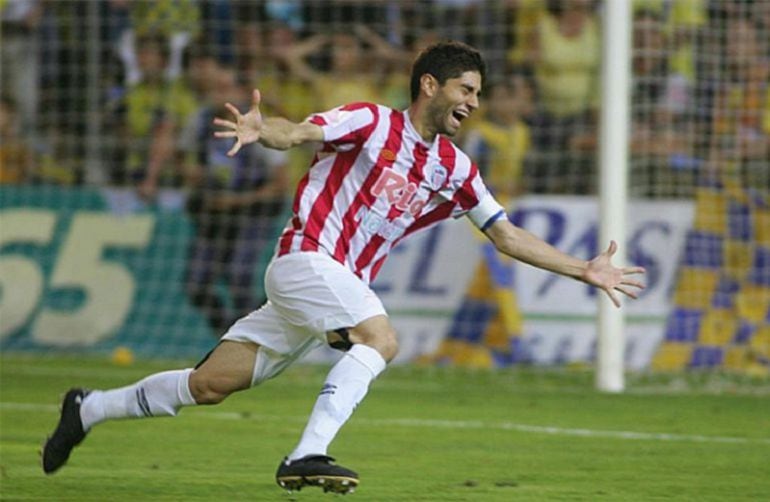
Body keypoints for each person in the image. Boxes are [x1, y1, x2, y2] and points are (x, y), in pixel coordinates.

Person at [42, 41, 645, 494]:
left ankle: (88, 408)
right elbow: (299, 131)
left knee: (208, 385)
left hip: (324, 288)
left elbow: (506, 235)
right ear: (430, 84)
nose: (474, 102)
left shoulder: (457, 168)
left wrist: (583, 269)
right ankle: (306, 455)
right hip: (306, 259)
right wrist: (263, 132)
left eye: (479, 94)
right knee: (380, 339)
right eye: (466, 88)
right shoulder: (370, 120)